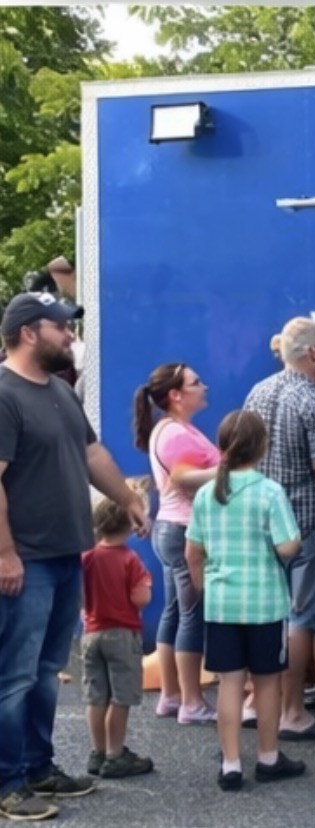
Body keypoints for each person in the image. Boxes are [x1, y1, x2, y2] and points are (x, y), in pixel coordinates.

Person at [0, 292, 150, 822]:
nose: (69, 335)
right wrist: (5, 554)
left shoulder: (60, 391)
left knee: (45, 672)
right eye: (60, 327)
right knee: (15, 676)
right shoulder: (4, 394)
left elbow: (91, 452)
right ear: (28, 333)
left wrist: (128, 498)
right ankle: (8, 783)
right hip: (27, 561)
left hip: (66, 553)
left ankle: (38, 767)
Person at [186, 410, 305, 791]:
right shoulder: (269, 491)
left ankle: (231, 763)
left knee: (229, 683)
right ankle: (268, 757)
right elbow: (288, 546)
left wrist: (206, 590)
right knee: (267, 683)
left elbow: (192, 553)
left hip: (222, 603)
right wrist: (288, 544)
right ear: (262, 447)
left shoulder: (206, 494)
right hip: (265, 602)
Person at [244, 317, 315, 741]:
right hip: (306, 518)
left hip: (262, 518)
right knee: (301, 617)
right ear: (313, 353)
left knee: (266, 613)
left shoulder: (258, 391)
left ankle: (255, 702)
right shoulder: (313, 399)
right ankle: (292, 711)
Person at [133, 362, 220, 725]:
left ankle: (171, 696)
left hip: (173, 529)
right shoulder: (176, 434)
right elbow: (185, 479)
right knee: (191, 616)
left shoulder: (170, 429)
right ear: (175, 395)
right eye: (196, 382)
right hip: (184, 532)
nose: (204, 387)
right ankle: (192, 703)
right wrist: (232, 468)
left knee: (174, 612)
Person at [82, 497, 155, 779]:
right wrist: (147, 586)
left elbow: (79, 595)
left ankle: (97, 751)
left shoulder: (87, 557)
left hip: (92, 633)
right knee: (120, 697)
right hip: (122, 634)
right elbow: (140, 599)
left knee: (96, 697)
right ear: (129, 524)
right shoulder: (129, 559)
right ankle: (115, 755)